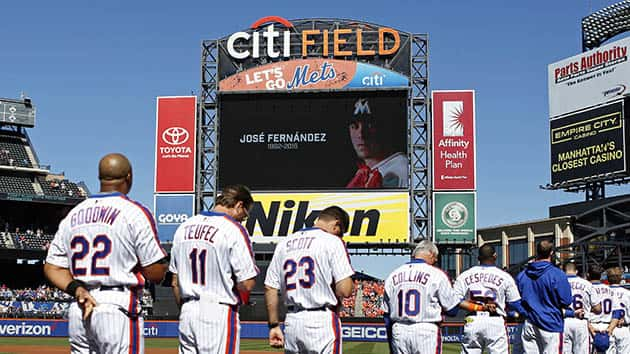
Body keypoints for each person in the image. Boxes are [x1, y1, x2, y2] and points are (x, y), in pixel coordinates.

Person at [44, 153, 168, 354]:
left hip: (81, 304)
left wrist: (78, 289)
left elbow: (53, 267)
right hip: (116, 304)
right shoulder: (134, 212)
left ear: (100, 177)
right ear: (129, 176)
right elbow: (155, 273)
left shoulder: (74, 214)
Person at [169, 184, 259, 354]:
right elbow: (247, 283)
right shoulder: (233, 229)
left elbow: (175, 282)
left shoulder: (184, 227)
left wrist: (188, 308)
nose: (242, 219)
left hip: (187, 310)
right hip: (217, 309)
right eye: (244, 215)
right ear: (239, 205)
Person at [264, 206, 354, 354]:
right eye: (341, 231)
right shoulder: (332, 241)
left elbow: (270, 287)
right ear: (336, 224)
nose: (340, 236)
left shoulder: (283, 244)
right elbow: (345, 290)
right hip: (321, 320)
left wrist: (274, 325)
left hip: (292, 321)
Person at [382, 240, 497, 354]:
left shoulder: (393, 275)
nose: (436, 260)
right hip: (426, 330)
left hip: (399, 330)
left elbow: (387, 315)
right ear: (431, 254)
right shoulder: (437, 274)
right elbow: (452, 310)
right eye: (435, 257)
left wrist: (391, 340)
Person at [453, 243, 526, 354]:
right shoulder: (504, 276)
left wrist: (478, 307)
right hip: (495, 321)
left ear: (478, 258)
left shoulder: (465, 275)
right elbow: (515, 303)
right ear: (495, 256)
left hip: (473, 320)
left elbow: (455, 301)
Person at [516, 240, 574, 353]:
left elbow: (515, 300)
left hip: (529, 322)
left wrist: (526, 313)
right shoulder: (557, 274)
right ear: (551, 253)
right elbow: (566, 301)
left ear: (536, 252)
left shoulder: (522, 275)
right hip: (551, 322)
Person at [346, 97, 408, 188]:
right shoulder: (362, 173)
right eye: (354, 127)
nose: (361, 134)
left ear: (384, 128)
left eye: (369, 126)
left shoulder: (401, 168)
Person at [563, 262, 601, 354]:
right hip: (581, 321)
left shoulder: (559, 283)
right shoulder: (587, 284)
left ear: (563, 271)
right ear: (576, 271)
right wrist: (587, 308)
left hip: (564, 321)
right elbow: (598, 309)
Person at [604, 267, 629, 354]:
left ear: (607, 278)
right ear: (621, 278)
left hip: (607, 327)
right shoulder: (627, 293)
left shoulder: (604, 292)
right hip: (623, 328)